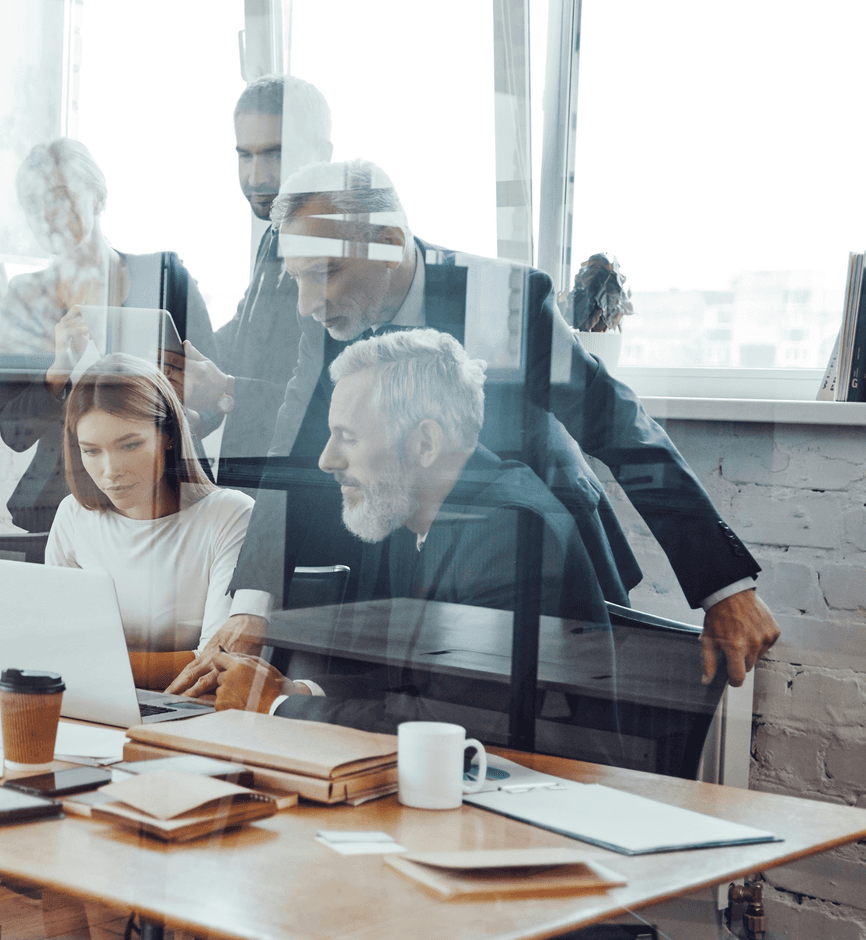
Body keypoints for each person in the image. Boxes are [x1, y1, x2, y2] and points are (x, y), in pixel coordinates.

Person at [172, 158, 778, 697]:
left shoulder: (499, 301)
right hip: (412, 562)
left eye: (324, 272)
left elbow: (614, 421)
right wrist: (253, 603)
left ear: (389, 242)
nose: (307, 303)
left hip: (534, 559)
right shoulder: (326, 317)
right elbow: (296, 440)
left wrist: (724, 585)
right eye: (297, 277)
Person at [198, 330, 615, 749]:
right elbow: (411, 683)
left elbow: (459, 719)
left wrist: (276, 706)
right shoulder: (419, 510)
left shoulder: (510, 535)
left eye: (348, 437)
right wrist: (297, 690)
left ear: (425, 443)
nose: (326, 460)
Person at [0, 138, 214, 533]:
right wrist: (58, 372)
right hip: (62, 504)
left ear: (97, 196)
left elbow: (213, 401)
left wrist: (167, 411)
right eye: (32, 204)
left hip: (162, 500)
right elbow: (13, 432)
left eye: (59, 196)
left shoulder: (166, 278)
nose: (46, 215)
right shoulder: (25, 298)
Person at [47, 354, 254, 692]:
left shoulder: (229, 515)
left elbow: (218, 665)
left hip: (187, 707)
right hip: (89, 700)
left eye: (130, 445)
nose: (111, 471)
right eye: (92, 451)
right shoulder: (73, 515)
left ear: (169, 434)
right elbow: (57, 639)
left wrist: (83, 664)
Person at [179, 75, 334, 470]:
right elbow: (247, 337)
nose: (256, 176)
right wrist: (183, 373)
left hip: (297, 482)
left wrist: (225, 390)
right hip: (248, 476)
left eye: (274, 155)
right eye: (245, 155)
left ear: (321, 153)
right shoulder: (275, 234)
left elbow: (324, 401)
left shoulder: (338, 252)